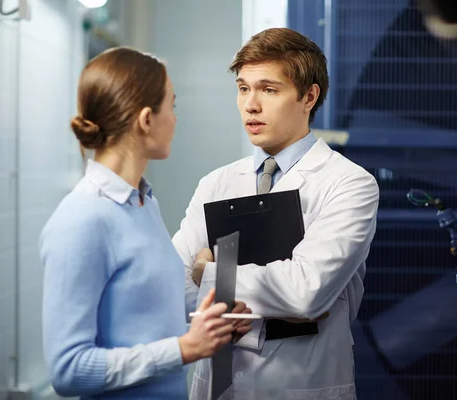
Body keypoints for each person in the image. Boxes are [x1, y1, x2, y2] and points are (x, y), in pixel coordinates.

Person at [172, 28, 380, 399]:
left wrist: (208, 272)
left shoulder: (350, 184)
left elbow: (305, 293)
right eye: (243, 88)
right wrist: (266, 308)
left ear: (309, 96)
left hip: (302, 386)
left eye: (269, 89)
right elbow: (172, 282)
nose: (251, 104)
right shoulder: (216, 183)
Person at [40, 47, 252, 399]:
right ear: (146, 120)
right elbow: (68, 370)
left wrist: (210, 326)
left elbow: (140, 325)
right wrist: (185, 349)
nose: (176, 118)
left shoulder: (143, 203)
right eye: (172, 104)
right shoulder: (81, 220)